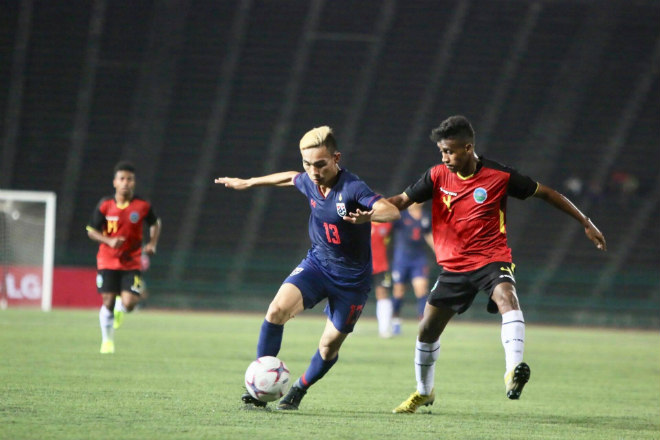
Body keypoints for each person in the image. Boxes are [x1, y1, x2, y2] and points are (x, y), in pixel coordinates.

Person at [389, 115, 606, 413]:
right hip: (453, 266)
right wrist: (365, 210)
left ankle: (512, 371)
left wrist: (585, 221)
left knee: (507, 297)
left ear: (468, 148)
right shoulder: (437, 175)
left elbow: (547, 193)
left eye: (449, 151)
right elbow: (400, 201)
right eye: (441, 151)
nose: (444, 157)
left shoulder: (499, 176)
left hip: (491, 258)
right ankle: (424, 392)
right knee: (427, 331)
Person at [215, 126, 400, 410]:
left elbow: (392, 210)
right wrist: (249, 182)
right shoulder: (310, 182)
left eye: (320, 164)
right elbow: (290, 177)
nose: (313, 171)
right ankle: (258, 392)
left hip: (352, 282)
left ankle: (299, 388)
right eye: (308, 164)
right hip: (317, 265)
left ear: (336, 158)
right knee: (276, 311)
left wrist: (369, 217)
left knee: (328, 348)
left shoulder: (352, 187)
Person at [87, 161, 161, 354]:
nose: (126, 183)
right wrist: (108, 241)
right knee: (107, 302)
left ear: (134, 183)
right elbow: (91, 231)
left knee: (129, 304)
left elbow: (155, 223)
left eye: (129, 179)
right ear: (115, 182)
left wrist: (152, 243)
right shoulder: (105, 205)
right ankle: (107, 342)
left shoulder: (142, 205)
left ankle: (122, 307)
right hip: (107, 259)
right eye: (122, 179)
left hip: (132, 261)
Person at [390, 202, 434, 335]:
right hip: (401, 259)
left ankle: (422, 322)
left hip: (418, 259)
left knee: (421, 290)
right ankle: (396, 320)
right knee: (399, 291)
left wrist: (438, 252)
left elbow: (428, 235)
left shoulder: (426, 217)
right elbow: (388, 227)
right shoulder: (401, 216)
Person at [371, 220, 393, 338]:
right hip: (363, 265)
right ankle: (346, 326)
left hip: (382, 266)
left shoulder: (387, 224)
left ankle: (385, 329)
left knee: (383, 294)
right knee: (355, 293)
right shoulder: (362, 223)